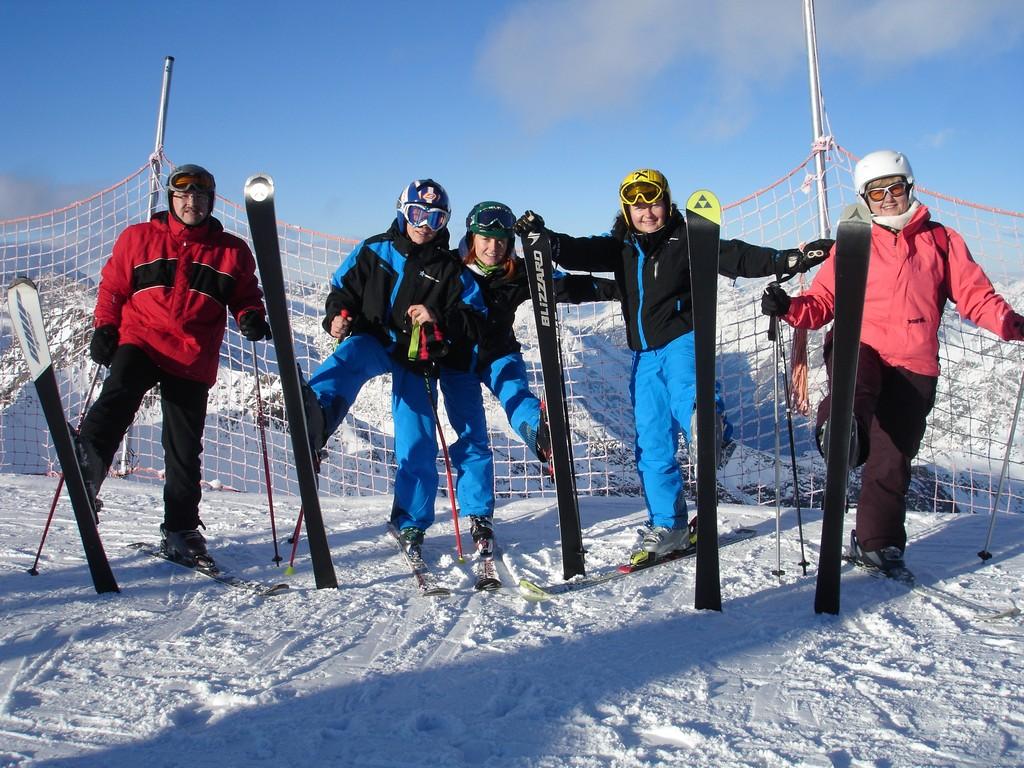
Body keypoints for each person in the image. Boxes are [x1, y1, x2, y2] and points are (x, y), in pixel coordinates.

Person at [515, 168, 830, 567]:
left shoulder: (688, 240)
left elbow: (737, 255)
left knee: (689, 391)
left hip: (682, 339)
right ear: (626, 211)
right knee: (651, 445)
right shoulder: (620, 248)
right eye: (637, 205)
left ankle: (707, 429)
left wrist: (790, 259)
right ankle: (670, 525)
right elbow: (579, 250)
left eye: (654, 202)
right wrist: (547, 241)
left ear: (667, 202)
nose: (647, 211)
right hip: (643, 356)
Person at [761, 149, 1024, 573]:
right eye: (876, 192)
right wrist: (789, 307)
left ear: (909, 189)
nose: (887, 198)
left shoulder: (942, 240)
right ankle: (841, 429)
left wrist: (1009, 323)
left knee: (891, 459)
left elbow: (976, 296)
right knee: (856, 387)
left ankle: (876, 543)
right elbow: (823, 301)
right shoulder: (852, 242)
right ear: (864, 197)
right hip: (858, 343)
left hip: (914, 363)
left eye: (894, 188)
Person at [75, 164, 271, 565]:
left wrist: (249, 314)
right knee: (121, 390)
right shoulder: (139, 238)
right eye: (183, 195)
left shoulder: (232, 251)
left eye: (200, 197)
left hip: (192, 354)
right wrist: (105, 328)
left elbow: (246, 294)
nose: (191, 203)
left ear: (210, 202)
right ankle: (88, 464)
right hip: (141, 338)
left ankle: (181, 529)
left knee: (183, 449)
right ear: (171, 199)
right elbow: (113, 287)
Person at [305, 179, 487, 556]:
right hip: (374, 337)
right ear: (403, 210)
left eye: (435, 219)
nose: (425, 224)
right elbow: (342, 289)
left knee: (416, 434)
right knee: (347, 359)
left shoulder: (452, 269)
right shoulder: (375, 249)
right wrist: (335, 317)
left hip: (417, 354)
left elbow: (473, 316)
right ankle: (316, 415)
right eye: (418, 214)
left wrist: (437, 318)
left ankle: (410, 521)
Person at [438, 201, 618, 555]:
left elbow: (564, 287)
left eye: (502, 240)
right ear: (472, 237)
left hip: (499, 354)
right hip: (456, 363)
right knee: (471, 435)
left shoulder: (517, 271)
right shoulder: (449, 269)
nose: (494, 247)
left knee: (516, 395)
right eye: (486, 239)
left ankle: (541, 432)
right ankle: (479, 515)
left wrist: (620, 291)